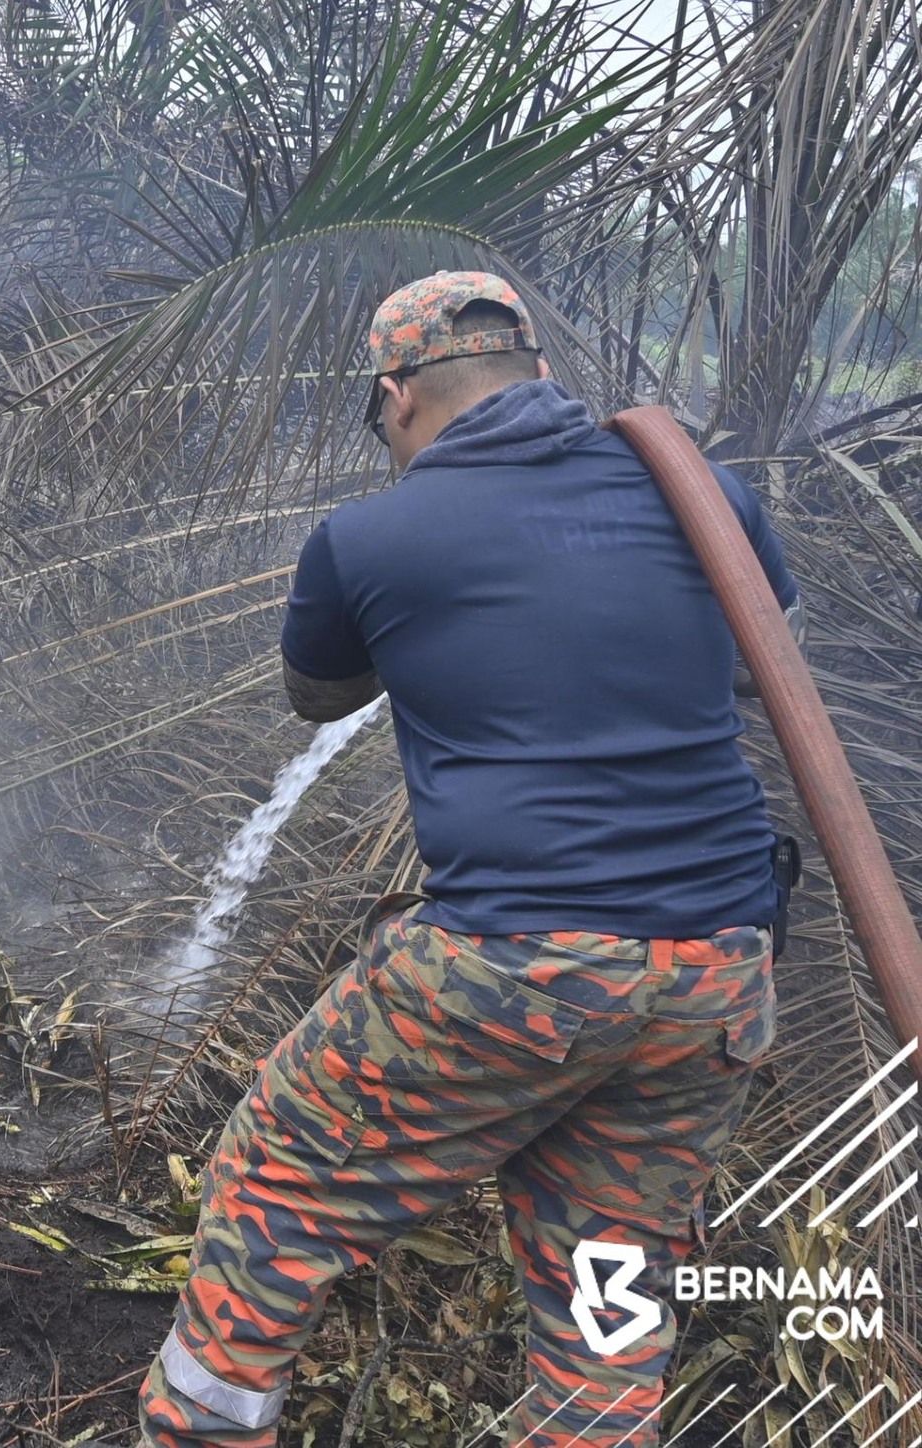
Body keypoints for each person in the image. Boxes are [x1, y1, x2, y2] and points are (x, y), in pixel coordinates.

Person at [139, 271, 801, 1448]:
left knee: (272, 1183)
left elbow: (318, 692)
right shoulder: (709, 497)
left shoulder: (370, 536)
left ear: (394, 396)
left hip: (513, 971)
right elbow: (756, 664)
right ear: (540, 374)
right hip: (715, 972)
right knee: (608, 1276)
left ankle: (202, 1430)